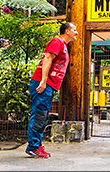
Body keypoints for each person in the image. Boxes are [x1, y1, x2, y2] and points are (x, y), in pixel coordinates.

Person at [25, 22, 78, 158]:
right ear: (67, 31)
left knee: (42, 115)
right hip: (43, 83)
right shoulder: (57, 41)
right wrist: (43, 80)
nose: (76, 32)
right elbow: (48, 58)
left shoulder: (64, 45)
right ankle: (33, 146)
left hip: (49, 85)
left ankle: (37, 145)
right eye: (74, 30)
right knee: (39, 115)